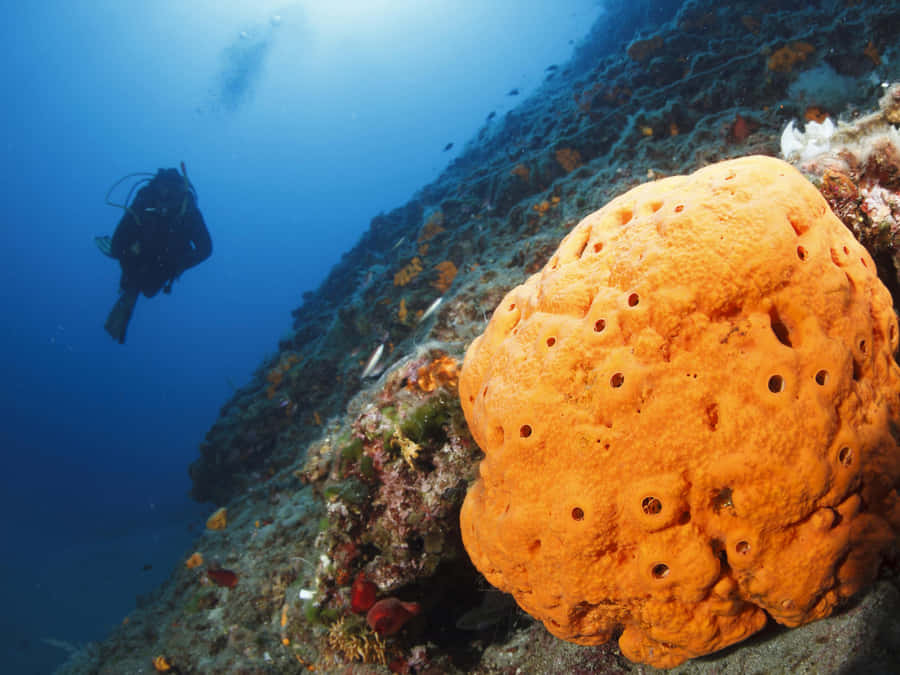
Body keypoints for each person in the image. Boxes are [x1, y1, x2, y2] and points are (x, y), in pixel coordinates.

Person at [95, 165, 212, 343]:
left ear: (180, 193)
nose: (165, 199)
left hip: (165, 265)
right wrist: (125, 251)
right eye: (162, 191)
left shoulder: (188, 211)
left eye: (171, 193)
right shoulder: (145, 200)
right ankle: (129, 289)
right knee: (133, 277)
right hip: (138, 256)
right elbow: (119, 241)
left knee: (149, 289)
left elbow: (206, 249)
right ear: (156, 188)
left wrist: (178, 265)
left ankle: (131, 288)